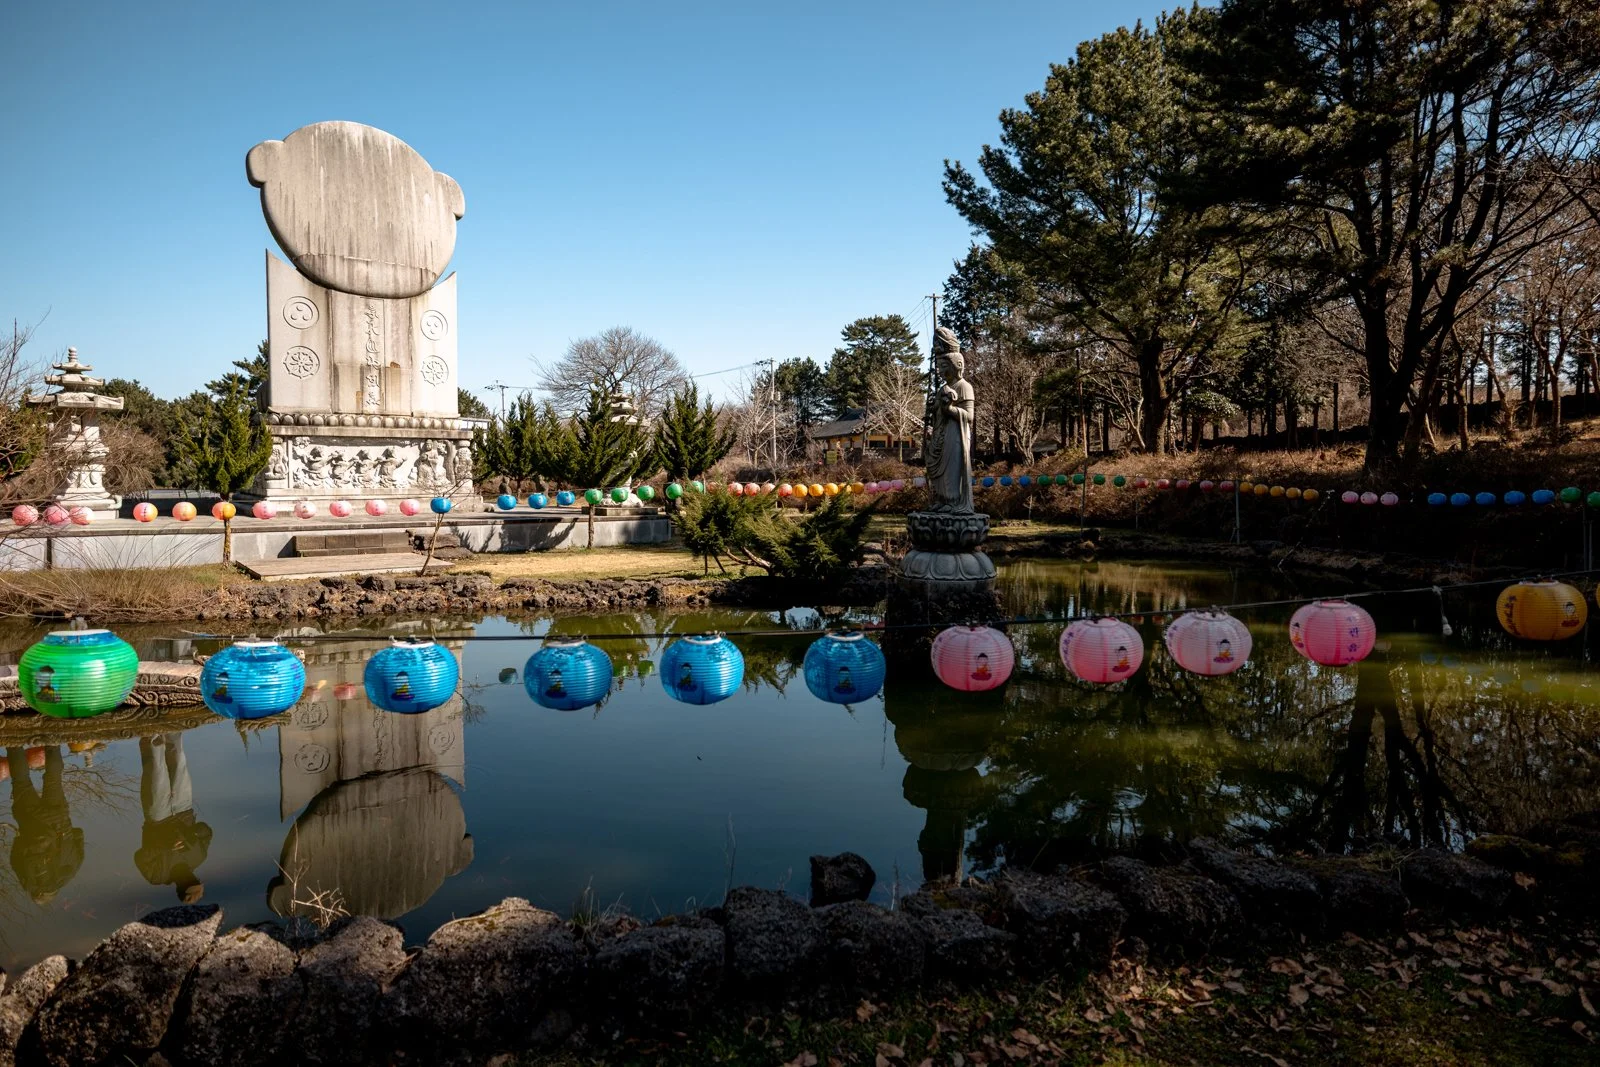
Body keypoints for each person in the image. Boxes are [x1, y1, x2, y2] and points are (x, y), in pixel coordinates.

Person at [133, 734, 212, 904]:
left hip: (158, 817)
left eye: (189, 884)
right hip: (184, 809)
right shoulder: (199, 857)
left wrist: (165, 846)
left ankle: (151, 730)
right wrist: (194, 833)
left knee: (156, 767)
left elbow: (140, 857)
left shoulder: (157, 876)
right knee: (179, 761)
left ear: (180, 887)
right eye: (196, 881)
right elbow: (207, 831)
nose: (192, 879)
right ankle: (173, 729)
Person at [7, 746, 84, 904]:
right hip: (30, 820)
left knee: (53, 777)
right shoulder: (27, 879)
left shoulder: (69, 872)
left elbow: (79, 834)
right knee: (21, 781)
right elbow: (15, 853)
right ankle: (14, 744)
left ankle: (53, 741)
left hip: (58, 819)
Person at [926, 327, 976, 515]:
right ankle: (941, 499)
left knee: (952, 470)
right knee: (938, 470)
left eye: (944, 367)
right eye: (939, 367)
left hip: (956, 435)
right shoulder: (943, 389)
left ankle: (954, 501)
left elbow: (969, 416)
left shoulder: (965, 387)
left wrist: (950, 409)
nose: (940, 371)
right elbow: (937, 415)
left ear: (957, 366)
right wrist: (934, 410)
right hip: (940, 434)